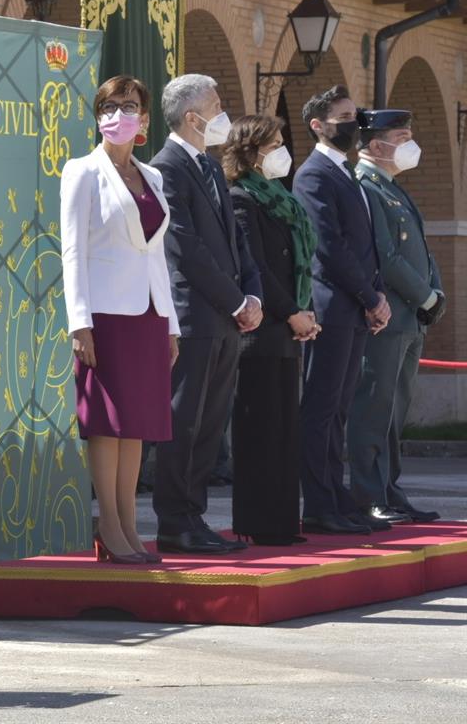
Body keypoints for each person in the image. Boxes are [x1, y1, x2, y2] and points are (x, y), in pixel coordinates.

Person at [61, 75, 179, 564]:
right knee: (107, 425)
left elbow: (158, 256)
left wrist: (170, 321)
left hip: (148, 313)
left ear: (144, 121)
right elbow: (73, 251)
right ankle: (108, 526)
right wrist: (78, 322)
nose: (116, 115)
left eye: (128, 106)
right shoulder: (82, 171)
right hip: (105, 315)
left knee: (135, 425)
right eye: (107, 107)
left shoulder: (153, 177)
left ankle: (129, 525)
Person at [151, 74, 262, 555]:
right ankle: (175, 521)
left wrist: (253, 294)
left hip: (225, 315)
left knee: (211, 423)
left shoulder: (211, 167)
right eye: (217, 106)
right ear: (192, 117)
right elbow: (185, 248)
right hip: (195, 315)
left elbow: (237, 242)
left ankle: (194, 516)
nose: (224, 114)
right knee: (184, 422)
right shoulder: (165, 168)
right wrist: (235, 301)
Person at [292, 85, 390, 536]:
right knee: (321, 408)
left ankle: (336, 495)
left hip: (353, 307)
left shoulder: (345, 173)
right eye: (345, 116)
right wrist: (369, 297)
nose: (355, 123)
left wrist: (375, 296)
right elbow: (328, 248)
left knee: (340, 410)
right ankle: (318, 503)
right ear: (318, 124)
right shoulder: (313, 175)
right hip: (331, 305)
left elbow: (363, 245)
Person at [224, 115, 320, 545]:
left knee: (284, 429)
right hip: (261, 331)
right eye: (274, 143)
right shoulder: (241, 197)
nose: (283, 150)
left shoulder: (280, 198)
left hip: (287, 329)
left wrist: (304, 311)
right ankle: (257, 523)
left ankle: (283, 522)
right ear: (251, 151)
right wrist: (290, 311)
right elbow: (258, 267)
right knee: (259, 429)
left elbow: (298, 262)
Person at [346, 109, 443, 524]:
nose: (410, 144)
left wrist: (435, 293)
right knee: (373, 407)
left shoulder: (393, 188)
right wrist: (424, 296)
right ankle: (369, 495)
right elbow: (384, 255)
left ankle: (390, 488)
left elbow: (420, 248)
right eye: (402, 137)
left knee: (394, 409)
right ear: (375, 145)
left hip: (410, 319)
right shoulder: (366, 188)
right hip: (386, 318)